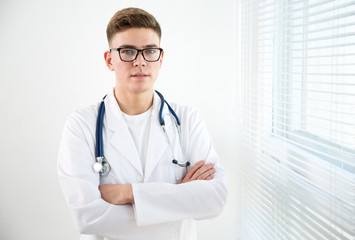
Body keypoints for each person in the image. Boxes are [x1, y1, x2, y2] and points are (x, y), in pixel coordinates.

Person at [57, 7, 227, 240]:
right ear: (109, 60)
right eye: (127, 51)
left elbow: (214, 199)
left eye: (149, 51)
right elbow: (88, 217)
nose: (140, 61)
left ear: (161, 58)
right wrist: (179, 199)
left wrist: (128, 193)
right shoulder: (81, 126)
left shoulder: (188, 120)